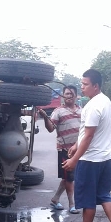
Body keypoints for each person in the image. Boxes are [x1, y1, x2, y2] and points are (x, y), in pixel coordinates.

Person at [61, 69, 111, 222]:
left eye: (85, 84)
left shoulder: (93, 106)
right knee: (104, 194)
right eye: (81, 83)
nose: (82, 87)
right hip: (105, 158)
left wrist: (74, 160)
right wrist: (75, 145)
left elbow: (89, 136)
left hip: (91, 160)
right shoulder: (104, 101)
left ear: (95, 86)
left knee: (87, 197)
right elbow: (89, 133)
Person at [37, 85, 81, 214]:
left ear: (76, 96)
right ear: (63, 95)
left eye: (72, 94)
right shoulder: (58, 111)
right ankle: (72, 204)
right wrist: (45, 117)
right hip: (65, 150)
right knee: (69, 178)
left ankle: (55, 199)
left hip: (78, 150)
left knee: (68, 177)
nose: (69, 96)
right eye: (67, 93)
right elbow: (51, 128)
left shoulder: (81, 111)